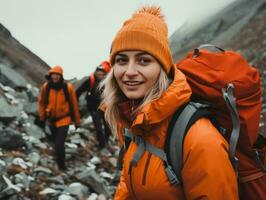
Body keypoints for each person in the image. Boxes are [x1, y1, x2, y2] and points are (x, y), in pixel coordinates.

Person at [100, 6, 239, 199]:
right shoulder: (133, 119)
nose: (129, 71)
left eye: (144, 61)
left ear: (163, 69)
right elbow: (127, 181)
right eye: (122, 61)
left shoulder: (199, 139)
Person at [38, 65, 80, 170]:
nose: (55, 77)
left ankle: (62, 167)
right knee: (54, 142)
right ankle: (57, 160)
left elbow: (74, 104)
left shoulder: (67, 88)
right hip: (51, 121)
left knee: (59, 144)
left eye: (57, 75)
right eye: (53, 75)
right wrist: (42, 118)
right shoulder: (46, 87)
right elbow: (42, 103)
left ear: (61, 76)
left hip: (64, 120)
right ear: (50, 76)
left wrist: (77, 121)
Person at [76, 61, 111, 149]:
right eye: (98, 73)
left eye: (102, 74)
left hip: (104, 107)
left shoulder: (108, 82)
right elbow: (78, 91)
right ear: (95, 72)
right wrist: (74, 103)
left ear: (105, 74)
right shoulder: (90, 81)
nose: (100, 75)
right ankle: (102, 145)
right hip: (93, 107)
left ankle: (106, 139)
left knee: (108, 125)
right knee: (98, 126)